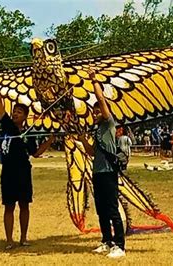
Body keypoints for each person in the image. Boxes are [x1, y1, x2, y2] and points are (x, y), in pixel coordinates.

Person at [0, 72, 55, 250]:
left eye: (19, 112)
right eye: (14, 111)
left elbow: (36, 153)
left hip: (24, 172)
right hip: (8, 172)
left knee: (24, 205)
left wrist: (49, 141)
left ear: (25, 116)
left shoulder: (30, 133)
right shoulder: (8, 126)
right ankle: (9, 240)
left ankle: (24, 238)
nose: (15, 114)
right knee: (9, 206)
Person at [78, 69, 126, 259]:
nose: (96, 113)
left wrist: (94, 81)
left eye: (98, 110)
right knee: (101, 210)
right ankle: (107, 241)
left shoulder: (108, 124)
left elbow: (102, 101)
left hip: (108, 172)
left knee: (112, 208)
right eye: (94, 111)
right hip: (97, 172)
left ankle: (120, 245)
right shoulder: (97, 130)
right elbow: (91, 152)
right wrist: (82, 139)